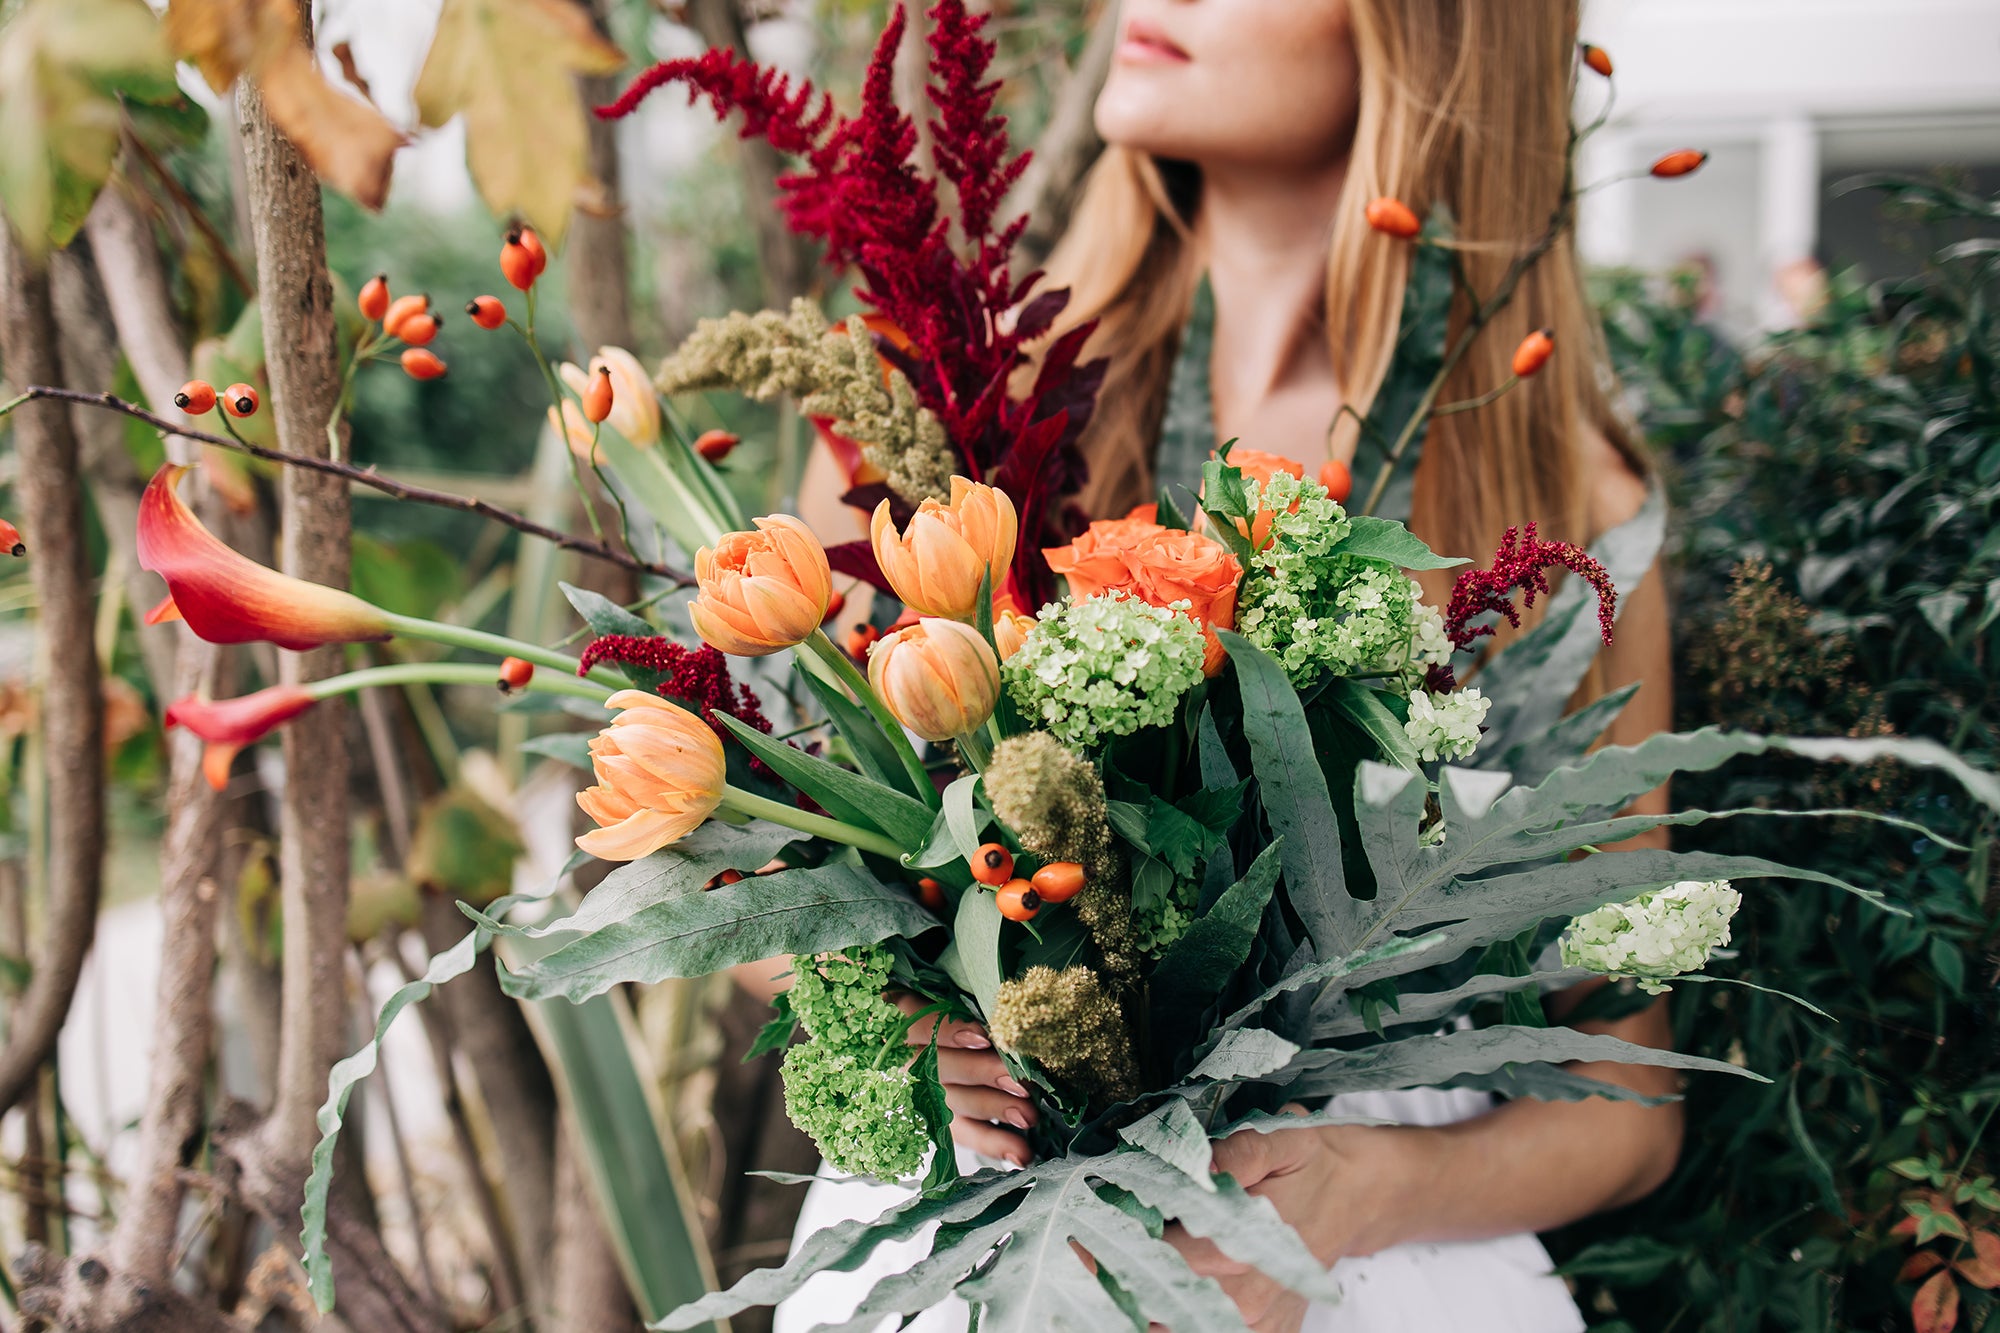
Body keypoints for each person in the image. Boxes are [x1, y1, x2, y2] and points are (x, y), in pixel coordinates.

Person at [775, 2, 1679, 1328]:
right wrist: (910, 1029)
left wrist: (1364, 1191)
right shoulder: (947, 400)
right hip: (974, 1242)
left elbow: (1635, 1095)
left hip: (1374, 1272)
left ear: (1431, 33)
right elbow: (746, 875)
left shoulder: (1561, 501)